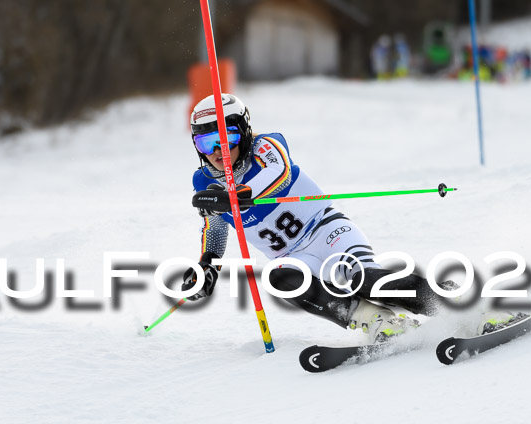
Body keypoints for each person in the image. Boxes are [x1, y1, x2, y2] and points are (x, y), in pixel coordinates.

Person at [181, 94, 475, 342]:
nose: (218, 151)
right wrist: (208, 264)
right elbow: (215, 226)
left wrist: (238, 195)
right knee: (279, 278)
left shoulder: (266, 146)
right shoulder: (203, 181)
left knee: (367, 280)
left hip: (327, 232)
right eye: (207, 143)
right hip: (292, 255)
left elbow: (279, 174)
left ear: (244, 133)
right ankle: (376, 320)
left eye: (227, 138)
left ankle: (459, 303)